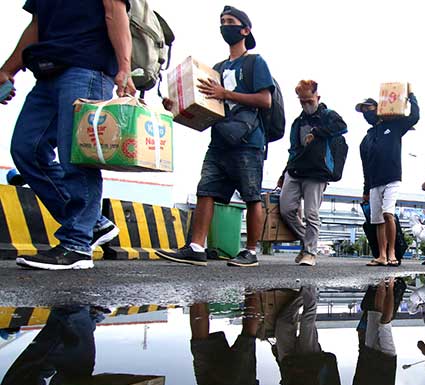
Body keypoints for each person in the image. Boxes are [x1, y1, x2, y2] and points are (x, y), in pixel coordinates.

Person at [4, 0, 133, 270]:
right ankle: (93, 224)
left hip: (87, 68)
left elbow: (114, 12)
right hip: (47, 71)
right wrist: (7, 70)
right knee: (27, 148)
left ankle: (77, 244)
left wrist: (124, 67)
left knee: (76, 155)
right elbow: (37, 26)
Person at [157, 6, 274, 268]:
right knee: (205, 191)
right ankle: (196, 247)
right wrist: (176, 105)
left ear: (245, 30)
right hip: (219, 140)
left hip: (248, 142)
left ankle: (251, 252)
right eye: (222, 22)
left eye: (230, 21)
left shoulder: (255, 62)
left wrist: (226, 94)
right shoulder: (217, 68)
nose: (224, 26)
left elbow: (265, 100)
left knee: (252, 195)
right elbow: (205, 105)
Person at [279, 80, 347, 267]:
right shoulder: (297, 123)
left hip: (317, 172)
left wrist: (317, 132)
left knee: (311, 213)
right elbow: (293, 149)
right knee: (286, 209)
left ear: (317, 97)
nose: (306, 105)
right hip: (296, 170)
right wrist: (284, 172)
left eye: (309, 101)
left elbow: (342, 127)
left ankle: (310, 251)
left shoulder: (328, 116)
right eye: (302, 102)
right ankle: (308, 240)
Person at [356, 90, 420, 267]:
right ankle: (381, 255)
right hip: (374, 182)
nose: (366, 113)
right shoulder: (366, 139)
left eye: (368, 108)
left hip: (392, 177)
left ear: (378, 108)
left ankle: (392, 252)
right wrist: (365, 189)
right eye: (363, 111)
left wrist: (411, 97)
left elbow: (414, 117)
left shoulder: (395, 126)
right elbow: (365, 167)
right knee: (377, 219)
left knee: (388, 213)